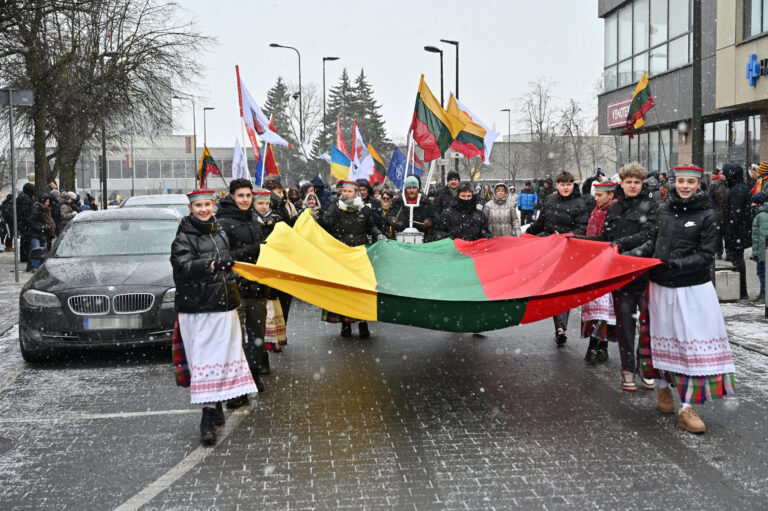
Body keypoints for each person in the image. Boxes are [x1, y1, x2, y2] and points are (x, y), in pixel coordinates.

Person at [633, 165, 735, 434]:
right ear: (674, 182)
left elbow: (706, 255)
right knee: (662, 339)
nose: (685, 186)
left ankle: (687, 408)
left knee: (691, 345)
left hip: (692, 289)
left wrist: (674, 265)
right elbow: (650, 242)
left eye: (690, 181)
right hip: (660, 288)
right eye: (681, 181)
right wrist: (631, 255)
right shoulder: (663, 210)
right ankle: (664, 390)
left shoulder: (708, 214)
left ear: (698, 184)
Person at [171, 189, 258, 446]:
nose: (203, 210)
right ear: (191, 208)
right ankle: (207, 416)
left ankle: (216, 405)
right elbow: (182, 267)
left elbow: (229, 260)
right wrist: (209, 265)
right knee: (204, 361)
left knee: (222, 358)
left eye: (207, 205)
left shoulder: (219, 231)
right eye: (198, 206)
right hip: (198, 310)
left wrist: (233, 274)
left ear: (213, 205)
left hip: (224, 306)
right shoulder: (183, 236)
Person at [583, 162, 658, 392]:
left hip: (645, 274)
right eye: (629, 182)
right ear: (622, 184)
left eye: (637, 182)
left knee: (647, 325)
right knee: (625, 325)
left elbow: (650, 235)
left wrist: (624, 247)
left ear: (642, 183)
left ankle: (645, 367)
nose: (633, 186)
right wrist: (579, 242)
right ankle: (627, 369)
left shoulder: (652, 205)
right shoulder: (614, 208)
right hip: (621, 277)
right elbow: (607, 239)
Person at [215, 179, 269, 390]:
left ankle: (254, 376)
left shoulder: (253, 219)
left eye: (248, 196)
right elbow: (225, 256)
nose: (245, 200)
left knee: (257, 335)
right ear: (232, 197)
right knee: (234, 339)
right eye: (241, 196)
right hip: (235, 288)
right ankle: (236, 383)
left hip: (257, 287)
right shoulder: (223, 222)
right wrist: (255, 249)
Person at [528, 171, 590, 346]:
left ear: (573, 185)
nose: (565, 188)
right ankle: (560, 327)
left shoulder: (580, 203)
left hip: (568, 252)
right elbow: (541, 222)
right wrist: (526, 235)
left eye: (569, 184)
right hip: (550, 251)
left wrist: (567, 237)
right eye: (562, 184)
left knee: (563, 289)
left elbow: (582, 228)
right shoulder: (549, 201)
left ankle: (560, 327)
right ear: (557, 185)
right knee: (553, 289)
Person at [322, 181, 386, 338]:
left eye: (350, 191)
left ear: (356, 192)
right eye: (344, 191)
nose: (346, 194)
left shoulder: (364, 210)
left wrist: (378, 234)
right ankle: (345, 324)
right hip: (341, 254)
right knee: (344, 289)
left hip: (359, 253)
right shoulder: (335, 208)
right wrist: (317, 216)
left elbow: (371, 227)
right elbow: (326, 225)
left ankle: (363, 323)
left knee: (361, 289)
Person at [580, 181, 617, 364]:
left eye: (599, 195)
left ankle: (596, 346)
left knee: (602, 308)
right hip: (594, 262)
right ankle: (598, 345)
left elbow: (606, 238)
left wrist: (585, 242)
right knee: (595, 307)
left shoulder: (613, 211)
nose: (596, 198)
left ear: (610, 195)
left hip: (605, 264)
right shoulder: (597, 210)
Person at [722, 163, 752, 300]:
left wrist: (729, 231)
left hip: (737, 232)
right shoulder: (740, 188)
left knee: (737, 259)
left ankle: (741, 290)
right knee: (737, 258)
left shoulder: (737, 191)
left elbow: (735, 214)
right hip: (740, 230)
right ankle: (741, 290)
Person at [386, 176, 436, 240]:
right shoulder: (398, 202)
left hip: (422, 239)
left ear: (417, 189)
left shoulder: (425, 202)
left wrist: (430, 221)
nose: (412, 190)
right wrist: (391, 219)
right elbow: (387, 217)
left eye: (414, 188)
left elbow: (435, 218)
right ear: (405, 189)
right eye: (409, 188)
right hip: (400, 239)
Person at [28, 193, 56, 270]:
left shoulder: (46, 210)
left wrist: (48, 227)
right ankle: (35, 267)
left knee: (43, 251)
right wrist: (42, 227)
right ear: (43, 201)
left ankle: (41, 267)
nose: (48, 203)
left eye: (49, 202)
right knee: (37, 251)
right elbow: (32, 222)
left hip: (43, 234)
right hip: (37, 233)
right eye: (47, 202)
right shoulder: (37, 210)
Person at [751, 192, 768, 304]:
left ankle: (764, 295)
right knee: (761, 273)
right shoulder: (761, 214)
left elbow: (763, 236)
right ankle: (763, 293)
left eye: (754, 203)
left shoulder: (762, 216)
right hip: (761, 251)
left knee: (762, 273)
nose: (752, 205)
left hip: (763, 252)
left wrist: (761, 254)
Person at [708, 167, 729, 259]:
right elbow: (709, 198)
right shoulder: (714, 184)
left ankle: (728, 253)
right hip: (718, 213)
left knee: (728, 235)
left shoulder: (730, 184)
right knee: (718, 235)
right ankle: (719, 253)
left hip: (728, 214)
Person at [16, 183, 35, 264]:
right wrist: (29, 220)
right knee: (26, 240)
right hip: (25, 223)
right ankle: (25, 256)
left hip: (22, 222)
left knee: (24, 240)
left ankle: (24, 256)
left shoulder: (22, 197)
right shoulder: (26, 199)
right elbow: (25, 212)